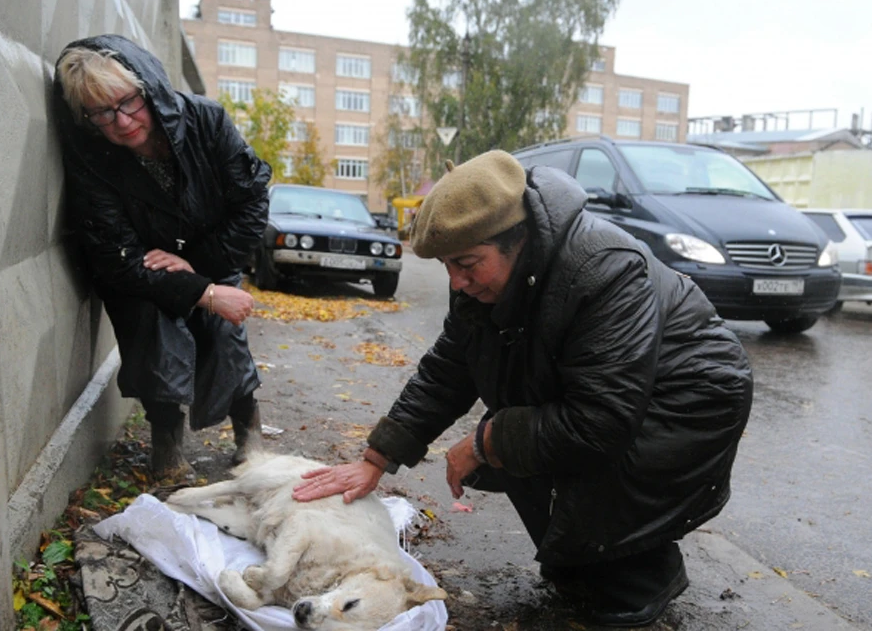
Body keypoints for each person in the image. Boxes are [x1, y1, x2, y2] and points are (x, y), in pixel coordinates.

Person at [292, 150, 753, 627]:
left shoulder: (605, 268)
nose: (457, 280)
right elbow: (451, 365)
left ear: (520, 239)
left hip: (688, 402)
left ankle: (642, 579)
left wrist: (486, 441)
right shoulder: (482, 274)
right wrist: (377, 458)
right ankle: (584, 559)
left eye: (468, 264)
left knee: (537, 444)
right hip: (617, 398)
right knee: (523, 440)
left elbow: (601, 420)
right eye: (449, 265)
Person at [52, 35, 271, 480]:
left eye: (127, 102)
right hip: (142, 271)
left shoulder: (206, 121)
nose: (121, 121)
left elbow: (251, 204)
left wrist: (203, 274)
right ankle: (167, 446)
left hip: (213, 252)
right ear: (87, 118)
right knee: (153, 330)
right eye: (102, 113)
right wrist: (199, 291)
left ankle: (249, 429)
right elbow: (116, 257)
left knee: (225, 335)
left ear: (146, 88)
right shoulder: (92, 159)